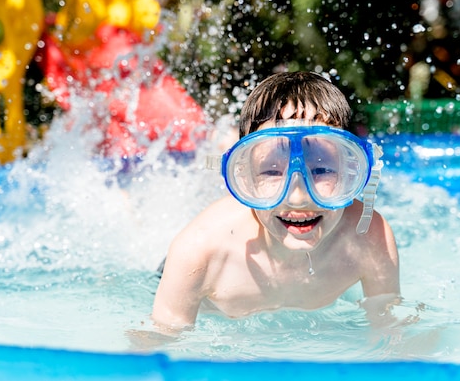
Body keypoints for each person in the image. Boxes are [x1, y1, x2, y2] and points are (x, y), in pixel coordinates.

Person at [148, 71, 400, 338]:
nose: (298, 197)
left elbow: (391, 332)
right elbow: (156, 346)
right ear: (243, 177)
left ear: (352, 171)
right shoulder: (200, 251)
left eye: (322, 169)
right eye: (271, 171)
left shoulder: (369, 236)